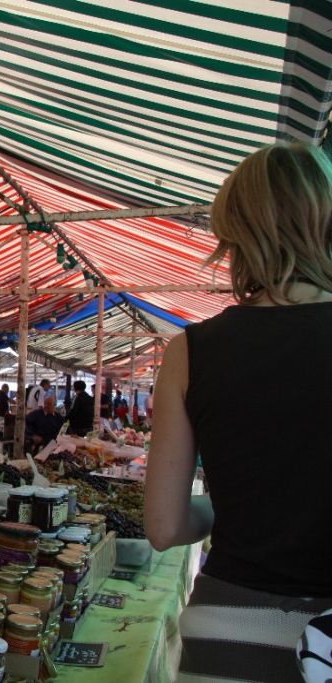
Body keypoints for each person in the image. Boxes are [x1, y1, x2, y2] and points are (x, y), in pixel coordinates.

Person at [145, 142, 332, 683]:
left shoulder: (191, 351)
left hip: (225, 635)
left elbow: (164, 526)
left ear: (234, 232)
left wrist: (226, 508)